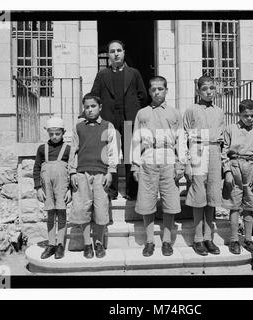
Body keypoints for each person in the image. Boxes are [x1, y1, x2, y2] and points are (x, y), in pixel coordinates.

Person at [131, 76, 187, 257]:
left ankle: (166, 241)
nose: (157, 92)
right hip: (148, 157)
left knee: (170, 202)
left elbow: (181, 139)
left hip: (169, 157)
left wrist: (181, 164)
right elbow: (135, 140)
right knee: (147, 202)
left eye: (160, 89)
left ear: (166, 90)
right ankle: (149, 241)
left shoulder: (175, 113)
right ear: (149, 91)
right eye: (153, 89)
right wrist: (135, 165)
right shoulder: (142, 113)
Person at [89, 40, 148, 200]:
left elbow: (143, 96)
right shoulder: (102, 75)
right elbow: (94, 95)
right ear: (108, 55)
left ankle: (132, 191)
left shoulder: (134, 73)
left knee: (131, 155)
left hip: (129, 120)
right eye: (112, 51)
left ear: (123, 52)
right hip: (110, 120)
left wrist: (135, 110)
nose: (116, 53)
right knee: (110, 155)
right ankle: (111, 191)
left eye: (119, 50)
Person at [68, 94, 119, 259]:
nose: (90, 110)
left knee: (101, 209)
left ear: (100, 107)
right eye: (87, 107)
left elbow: (113, 151)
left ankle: (98, 242)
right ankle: (87, 244)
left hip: (101, 174)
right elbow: (73, 151)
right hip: (82, 173)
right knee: (83, 209)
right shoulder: (78, 127)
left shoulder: (108, 126)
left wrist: (111, 172)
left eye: (93, 106)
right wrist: (72, 172)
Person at [183, 75, 225, 256]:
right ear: (198, 91)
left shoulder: (219, 112)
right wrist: (186, 163)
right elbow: (183, 137)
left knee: (212, 196)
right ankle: (198, 238)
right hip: (198, 150)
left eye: (212, 88)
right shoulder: (191, 110)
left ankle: (209, 238)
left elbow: (224, 140)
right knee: (199, 196)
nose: (209, 92)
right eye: (205, 89)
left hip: (215, 151)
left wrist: (224, 163)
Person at [221, 99, 253, 255]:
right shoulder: (230, 129)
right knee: (234, 205)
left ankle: (248, 239)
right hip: (235, 167)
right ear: (239, 114)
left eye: (252, 115)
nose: (249, 119)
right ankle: (234, 239)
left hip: (251, 168)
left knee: (249, 206)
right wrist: (227, 172)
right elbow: (224, 152)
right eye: (246, 115)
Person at [33, 117, 71, 259]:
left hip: (62, 186)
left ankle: (60, 244)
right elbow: (36, 168)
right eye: (51, 134)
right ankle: (51, 244)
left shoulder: (68, 149)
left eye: (57, 134)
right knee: (50, 213)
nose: (54, 137)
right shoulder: (42, 149)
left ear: (63, 132)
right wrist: (38, 187)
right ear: (48, 133)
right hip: (47, 186)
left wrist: (70, 190)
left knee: (61, 213)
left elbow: (73, 169)